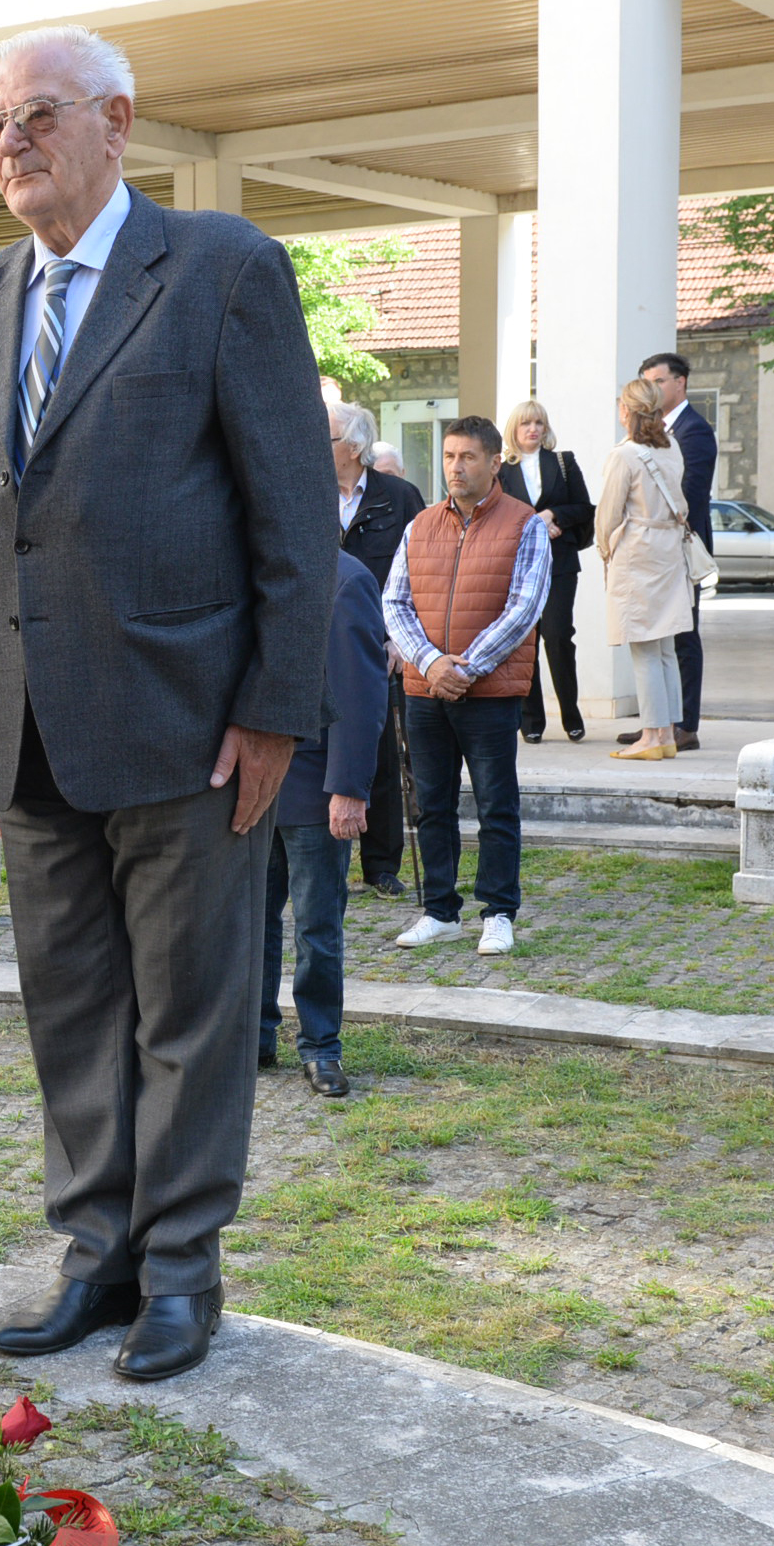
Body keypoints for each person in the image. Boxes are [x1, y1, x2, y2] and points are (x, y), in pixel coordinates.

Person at [0, 25, 336, 1382]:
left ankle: (179, 1272)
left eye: (38, 114)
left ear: (118, 122)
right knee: (71, 1012)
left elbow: (289, 512)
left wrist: (276, 710)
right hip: (28, 737)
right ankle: (94, 1255)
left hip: (192, 729)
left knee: (193, 1014)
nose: (12, 142)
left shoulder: (222, 271)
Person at [384, 415, 548, 957]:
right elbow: (394, 603)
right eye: (450, 456)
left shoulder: (525, 525)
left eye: (468, 457)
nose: (456, 466)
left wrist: (466, 668)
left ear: (494, 462)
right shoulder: (420, 525)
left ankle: (498, 912)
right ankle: (440, 911)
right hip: (425, 690)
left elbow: (523, 609)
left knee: (496, 806)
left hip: (491, 692)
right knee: (432, 805)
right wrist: (432, 665)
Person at [263, 530, 383, 1098]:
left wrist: (347, 788)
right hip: (252, 786)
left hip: (314, 788)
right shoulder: (259, 569)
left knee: (316, 929)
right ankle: (255, 1039)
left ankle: (319, 1046)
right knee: (247, 924)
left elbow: (360, 696)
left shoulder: (346, 580)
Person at [329, 401, 423, 900]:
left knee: (381, 754)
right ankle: (326, 857)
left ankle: (381, 863)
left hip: (382, 645)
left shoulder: (399, 497)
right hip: (321, 643)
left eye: (325, 439)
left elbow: (422, 575)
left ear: (355, 447)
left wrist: (400, 640)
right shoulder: (308, 493)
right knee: (323, 751)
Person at [591, 378, 695, 762]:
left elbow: (608, 515)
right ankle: (666, 732)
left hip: (639, 551)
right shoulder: (672, 448)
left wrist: (605, 550)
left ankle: (651, 736)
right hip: (669, 551)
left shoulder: (625, 455)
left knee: (645, 649)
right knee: (665, 646)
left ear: (625, 410)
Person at [629, 351, 713, 752]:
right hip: (653, 548)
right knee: (656, 638)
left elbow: (690, 494)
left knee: (683, 636)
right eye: (646, 381)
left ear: (680, 383)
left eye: (658, 381)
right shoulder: (650, 432)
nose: (652, 388)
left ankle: (686, 725)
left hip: (677, 546)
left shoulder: (694, 431)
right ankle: (658, 724)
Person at [501, 401, 596, 744]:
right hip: (519, 565)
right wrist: (533, 524)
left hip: (560, 564)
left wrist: (553, 515)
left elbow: (584, 508)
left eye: (539, 423)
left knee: (557, 636)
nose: (533, 429)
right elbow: (495, 514)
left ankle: (571, 713)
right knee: (526, 640)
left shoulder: (562, 462)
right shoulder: (502, 469)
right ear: (514, 428)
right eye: (526, 423)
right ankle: (532, 720)